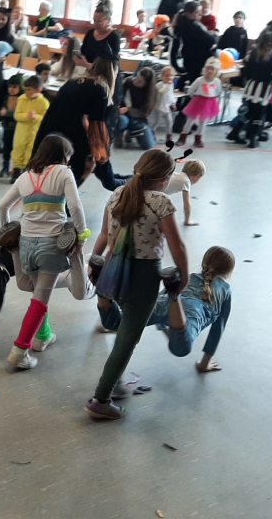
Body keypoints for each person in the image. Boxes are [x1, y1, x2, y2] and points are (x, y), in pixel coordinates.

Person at [84, 149, 188, 420]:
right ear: (164, 178)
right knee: (127, 338)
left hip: (112, 268)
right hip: (143, 275)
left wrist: (94, 263)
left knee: (120, 324)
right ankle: (101, 399)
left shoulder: (117, 194)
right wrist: (184, 276)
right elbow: (177, 245)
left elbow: (104, 235)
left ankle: (113, 379)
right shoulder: (161, 202)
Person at [0, 134, 92, 368]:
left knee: (37, 290)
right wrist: (82, 233)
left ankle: (42, 337)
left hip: (26, 244)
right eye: (67, 156)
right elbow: (75, 206)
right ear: (63, 155)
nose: (68, 161)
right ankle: (20, 351)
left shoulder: (25, 176)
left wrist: (7, 230)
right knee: (40, 300)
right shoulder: (64, 173)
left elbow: (2, 205)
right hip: (51, 245)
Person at [32, 58, 116, 185]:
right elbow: (96, 124)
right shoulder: (100, 88)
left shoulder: (75, 80)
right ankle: (67, 194)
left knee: (43, 160)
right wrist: (101, 152)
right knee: (78, 164)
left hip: (49, 122)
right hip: (69, 125)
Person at [227, 28, 272, 148]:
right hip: (263, 90)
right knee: (259, 114)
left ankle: (235, 132)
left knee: (249, 111)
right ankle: (253, 138)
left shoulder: (253, 55)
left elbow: (246, 72)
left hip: (251, 86)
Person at [12, 75, 50, 180]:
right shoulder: (22, 99)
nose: (26, 92)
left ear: (38, 90)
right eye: (26, 90)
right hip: (21, 132)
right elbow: (17, 115)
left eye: (29, 90)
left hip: (35, 132)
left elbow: (46, 119)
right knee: (18, 149)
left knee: (30, 152)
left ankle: (26, 173)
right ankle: (16, 172)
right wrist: (26, 116)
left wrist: (36, 117)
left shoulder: (44, 103)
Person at [170, 1, 217, 87]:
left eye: (200, 11)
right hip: (198, 59)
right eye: (197, 12)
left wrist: (175, 65)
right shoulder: (195, 26)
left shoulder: (180, 24)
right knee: (196, 84)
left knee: (190, 81)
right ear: (188, 14)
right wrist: (213, 34)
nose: (200, 14)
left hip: (187, 57)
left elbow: (174, 46)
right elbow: (211, 40)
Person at [177, 57, 221, 147]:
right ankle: (182, 137)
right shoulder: (200, 80)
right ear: (204, 69)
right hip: (198, 101)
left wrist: (211, 98)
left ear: (216, 71)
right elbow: (191, 90)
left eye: (212, 69)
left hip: (209, 102)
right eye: (208, 68)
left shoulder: (217, 81)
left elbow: (218, 91)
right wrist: (195, 98)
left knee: (203, 122)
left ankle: (198, 139)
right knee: (190, 120)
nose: (209, 71)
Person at [164, 159, 205, 227]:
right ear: (197, 177)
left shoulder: (179, 175)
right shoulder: (186, 182)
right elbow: (187, 205)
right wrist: (187, 221)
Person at [0, 74, 23, 178]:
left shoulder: (22, 99)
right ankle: (5, 166)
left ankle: (17, 169)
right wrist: (2, 114)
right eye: (10, 87)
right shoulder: (6, 97)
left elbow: (20, 113)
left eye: (15, 87)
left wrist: (7, 113)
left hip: (18, 128)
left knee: (17, 149)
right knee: (6, 148)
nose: (11, 89)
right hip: (7, 127)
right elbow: (2, 110)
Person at [151, 66, 178, 147]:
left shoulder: (171, 85)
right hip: (159, 108)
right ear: (162, 76)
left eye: (171, 75)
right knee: (156, 122)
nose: (169, 77)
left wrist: (173, 103)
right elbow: (162, 92)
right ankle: (152, 132)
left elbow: (171, 95)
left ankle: (169, 136)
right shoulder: (159, 85)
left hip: (167, 108)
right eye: (167, 75)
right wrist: (168, 86)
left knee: (169, 122)